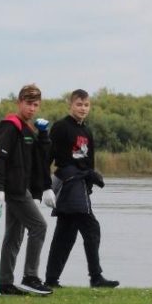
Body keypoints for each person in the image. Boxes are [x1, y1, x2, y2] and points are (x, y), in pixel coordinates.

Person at [44, 89, 119, 290]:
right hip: (69, 181)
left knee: (65, 233)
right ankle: (96, 277)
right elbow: (48, 157)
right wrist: (45, 187)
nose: (82, 108)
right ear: (71, 105)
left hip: (81, 184)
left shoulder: (87, 131)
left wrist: (90, 184)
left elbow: (89, 162)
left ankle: (51, 279)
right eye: (79, 104)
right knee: (91, 228)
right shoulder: (61, 127)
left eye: (86, 105)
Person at [0, 84, 55, 296]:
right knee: (39, 227)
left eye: (36, 104)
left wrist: (44, 135)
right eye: (28, 104)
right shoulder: (10, 126)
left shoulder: (28, 129)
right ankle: (30, 277)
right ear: (19, 102)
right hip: (15, 189)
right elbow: (0, 158)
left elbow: (40, 159)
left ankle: (5, 282)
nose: (32, 108)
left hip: (23, 188)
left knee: (13, 235)